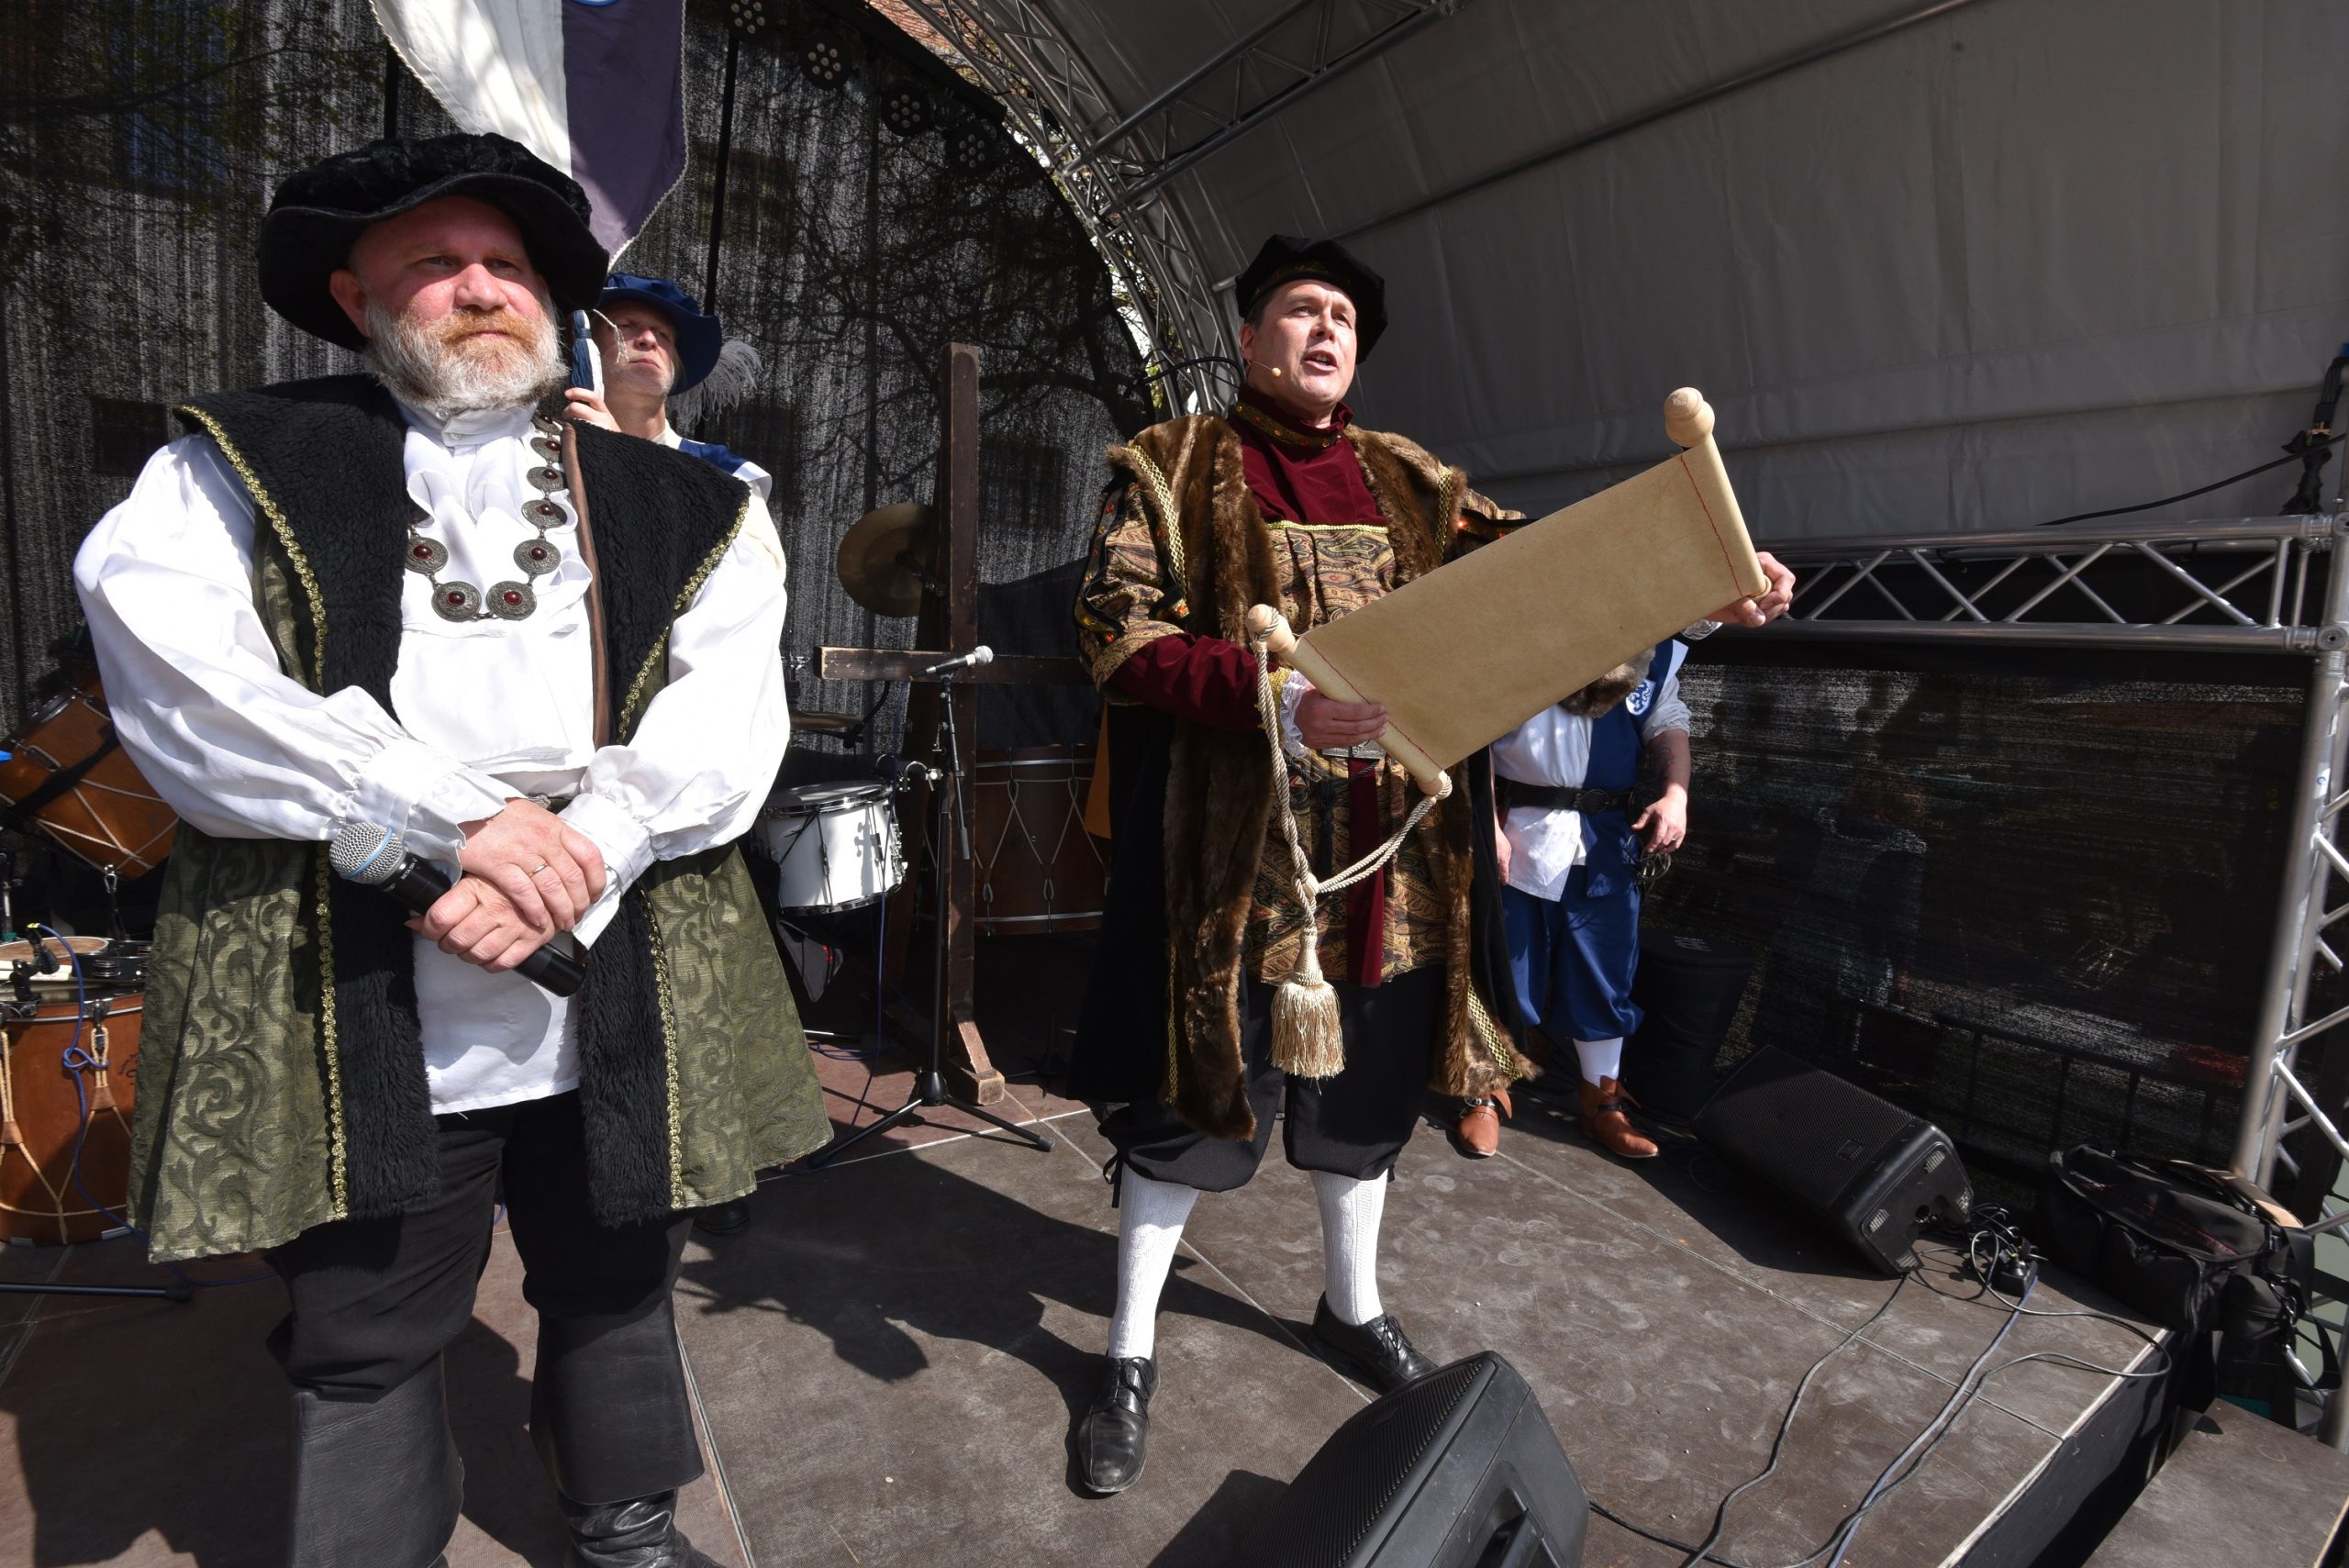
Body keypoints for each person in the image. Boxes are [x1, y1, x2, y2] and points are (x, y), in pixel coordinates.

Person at [73, 133, 829, 1568]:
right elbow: (189, 683)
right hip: (365, 947)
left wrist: (582, 847)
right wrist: (461, 822)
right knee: (367, 1309)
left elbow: (727, 713)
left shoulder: (698, 499)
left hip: (613, 937)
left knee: (616, 1266)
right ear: (359, 300)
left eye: (506, 264)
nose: (479, 288)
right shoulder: (232, 467)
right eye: (435, 264)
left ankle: (626, 1525)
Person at [1065, 233, 1795, 1495]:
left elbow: (1553, 602)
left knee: (1367, 1103)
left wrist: (1696, 590)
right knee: (1193, 1100)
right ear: (1249, 337)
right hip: (1230, 865)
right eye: (1299, 310)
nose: (1326, 330)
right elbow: (1117, 634)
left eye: (1344, 316)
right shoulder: (1170, 468)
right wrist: (1277, 698)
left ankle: (1349, 1307)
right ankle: (1127, 1352)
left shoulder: (1417, 484)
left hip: (1393, 868)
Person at [1458, 636, 1699, 1160]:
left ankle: (1602, 1102)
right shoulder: (1522, 638)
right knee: (1504, 967)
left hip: (1607, 839)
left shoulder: (1649, 647)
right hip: (1519, 830)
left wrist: (1676, 793)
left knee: (1604, 975)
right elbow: (1475, 733)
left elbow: (1666, 720)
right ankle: (1486, 1090)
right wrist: (1487, 821)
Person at [564, 271, 773, 499]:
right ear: (586, 347)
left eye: (663, 334)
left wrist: (621, 455)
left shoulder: (729, 475)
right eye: (625, 326)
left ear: (675, 362)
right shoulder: (540, 453)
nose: (649, 339)